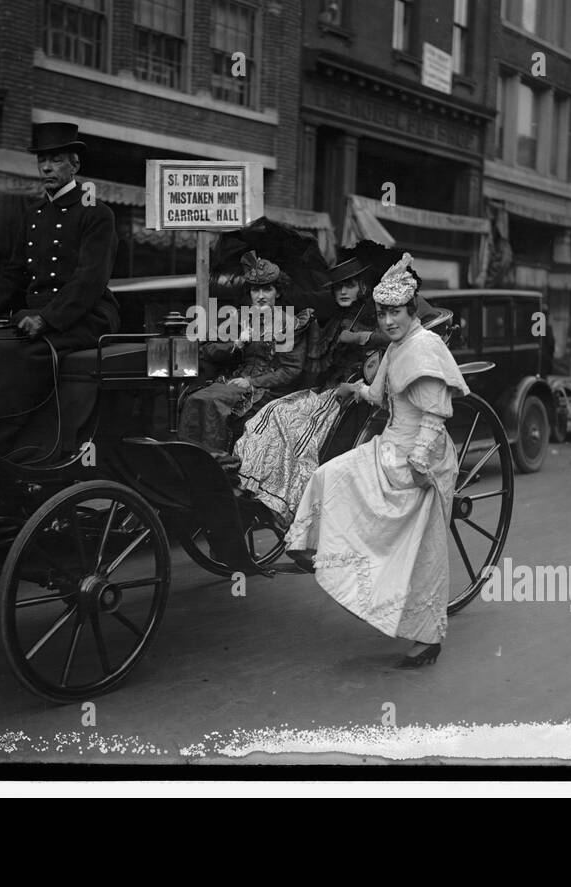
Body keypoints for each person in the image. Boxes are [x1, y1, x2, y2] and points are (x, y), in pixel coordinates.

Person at [284, 253, 468, 668]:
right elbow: (382, 394)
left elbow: (435, 416)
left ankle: (426, 638)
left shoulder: (424, 348)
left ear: (411, 310)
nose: (387, 322)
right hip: (389, 445)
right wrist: (356, 390)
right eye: (382, 313)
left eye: (395, 313)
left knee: (421, 551)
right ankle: (318, 549)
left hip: (422, 458)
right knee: (331, 474)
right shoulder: (396, 347)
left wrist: (419, 463)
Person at [0, 121, 120, 458]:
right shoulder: (34, 214)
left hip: (84, 317)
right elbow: (16, 272)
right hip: (36, 317)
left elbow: (89, 280)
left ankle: (2, 448)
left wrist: (47, 320)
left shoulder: (97, 214)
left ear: (75, 165)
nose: (47, 167)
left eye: (56, 160)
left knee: (16, 353)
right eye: (42, 161)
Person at [231, 256, 388, 528]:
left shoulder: (375, 317)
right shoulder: (338, 317)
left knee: (292, 426)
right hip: (327, 389)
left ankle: (289, 500)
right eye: (338, 287)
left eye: (348, 285)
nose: (342, 292)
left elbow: (396, 338)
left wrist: (361, 338)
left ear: (362, 287)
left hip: (351, 393)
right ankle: (263, 489)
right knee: (274, 411)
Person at [177, 251, 312, 456]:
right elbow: (208, 350)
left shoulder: (287, 324)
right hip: (235, 381)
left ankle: (219, 463)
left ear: (278, 292)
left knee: (213, 402)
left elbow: (290, 371)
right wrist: (236, 344)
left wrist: (251, 382)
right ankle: (192, 460)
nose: (260, 296)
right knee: (195, 399)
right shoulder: (241, 318)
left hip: (267, 389)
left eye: (267, 289)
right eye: (255, 290)